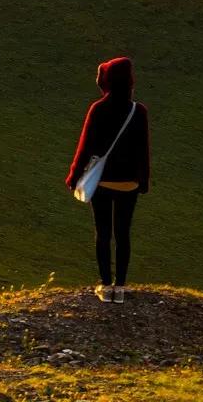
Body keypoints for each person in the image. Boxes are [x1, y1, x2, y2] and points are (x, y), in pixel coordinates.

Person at [66, 55, 150, 303]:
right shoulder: (139, 111)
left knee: (103, 233)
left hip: (102, 182)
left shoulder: (98, 109)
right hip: (129, 184)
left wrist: (74, 176)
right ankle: (120, 288)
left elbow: (85, 147)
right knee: (123, 234)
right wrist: (143, 181)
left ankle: (105, 286)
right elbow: (143, 150)